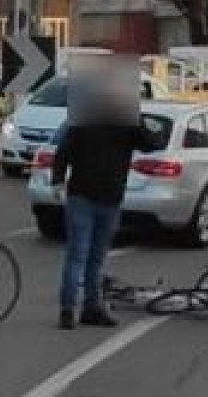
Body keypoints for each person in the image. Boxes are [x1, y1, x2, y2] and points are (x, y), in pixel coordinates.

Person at [52, 84, 150, 330]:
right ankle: (81, 308)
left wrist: (57, 180)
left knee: (82, 256)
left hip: (90, 196)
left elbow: (63, 151)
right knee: (90, 257)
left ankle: (79, 309)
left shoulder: (89, 121)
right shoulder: (123, 124)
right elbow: (152, 142)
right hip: (99, 198)